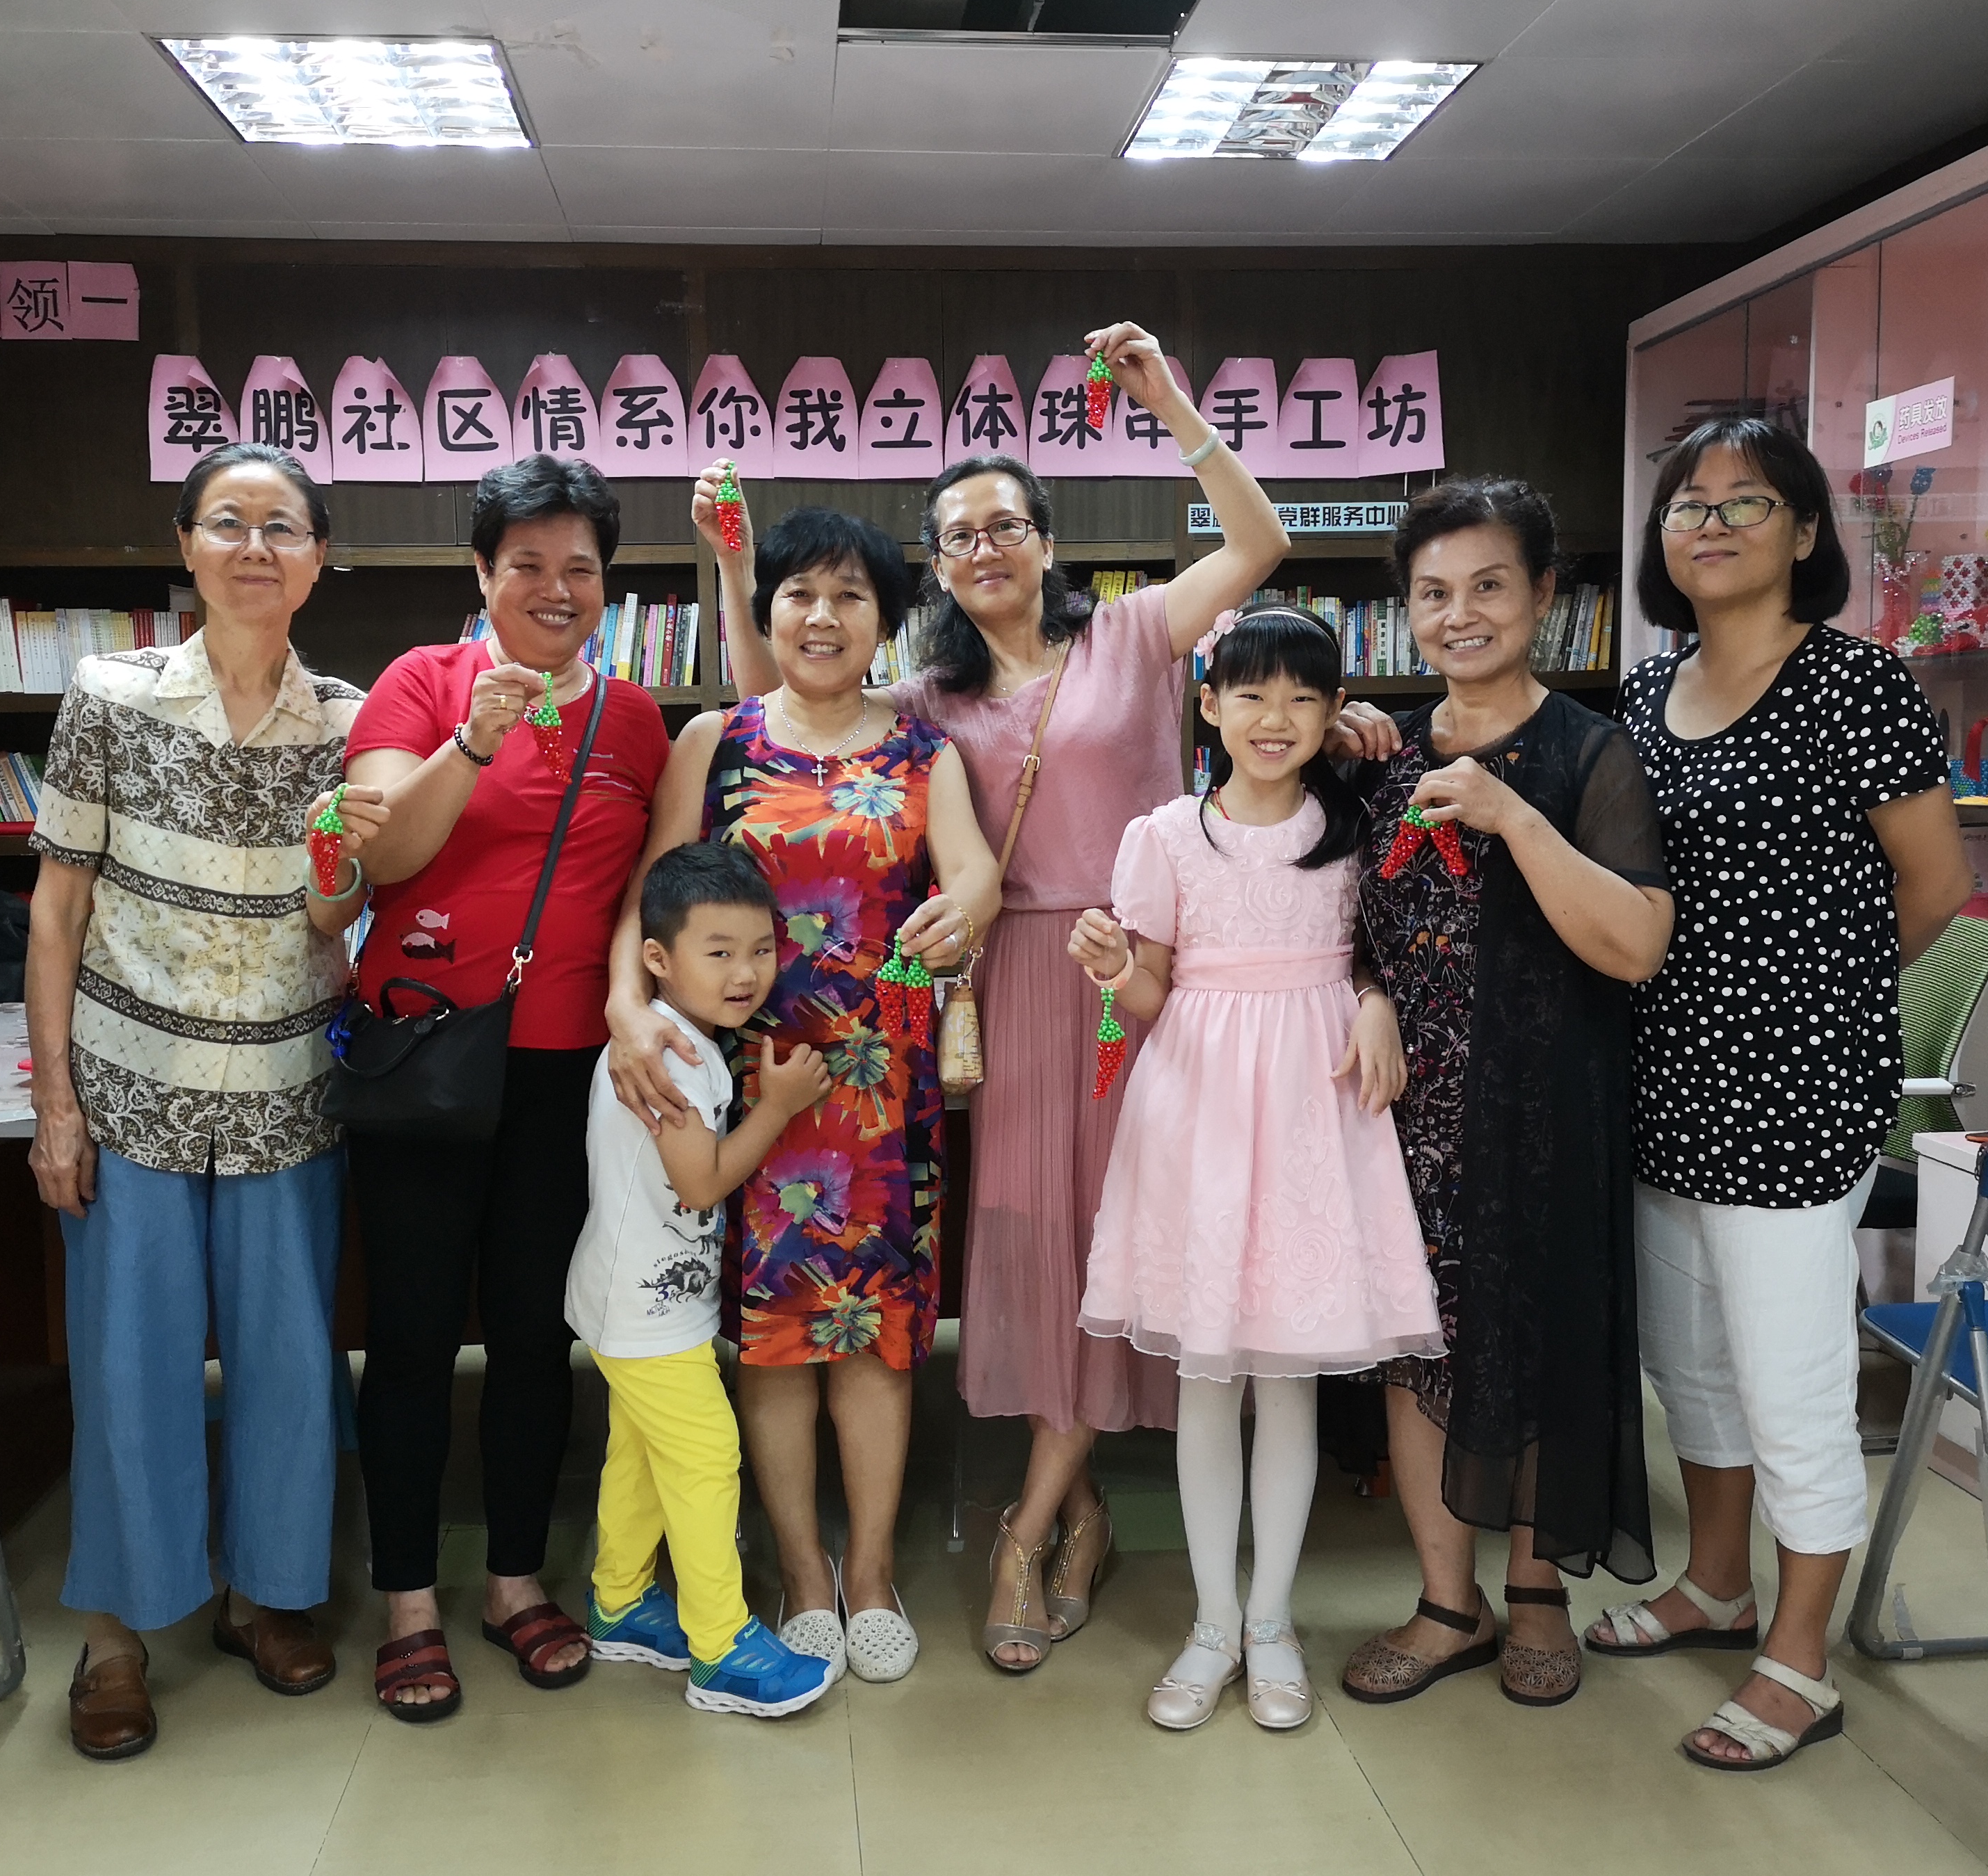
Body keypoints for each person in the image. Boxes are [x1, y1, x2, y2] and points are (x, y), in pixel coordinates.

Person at [707, 321, 1398, 1672]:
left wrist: (1171, 403)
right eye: (957, 535)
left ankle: (1025, 1530)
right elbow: (772, 713)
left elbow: (1257, 545)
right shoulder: (926, 693)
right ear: (936, 564)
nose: (983, 549)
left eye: (1005, 526)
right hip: (1004, 982)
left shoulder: (1134, 636)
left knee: (1121, 1233)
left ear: (1044, 540)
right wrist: (734, 571)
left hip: (1145, 972)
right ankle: (1077, 1506)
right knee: (1031, 1242)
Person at [1585, 416, 1971, 1771]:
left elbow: (1937, 885)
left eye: (1746, 501)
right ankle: (1715, 1584)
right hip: (1660, 1078)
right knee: (1690, 1362)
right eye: (1688, 504)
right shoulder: (1643, 694)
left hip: (1796, 1093)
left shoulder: (1854, 684)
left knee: (1788, 1373)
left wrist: (1815, 996)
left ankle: (1800, 1660)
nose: (1712, 523)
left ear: (1804, 531)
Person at [26, 441, 385, 1762]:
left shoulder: (350, 724)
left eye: (282, 527)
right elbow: (57, 912)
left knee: (292, 1365)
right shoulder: (109, 697)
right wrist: (56, 1107)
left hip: (290, 1095)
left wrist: (346, 876)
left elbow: (348, 913)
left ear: (319, 558)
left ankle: (264, 1597)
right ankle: (116, 1634)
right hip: (134, 1095)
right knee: (130, 1368)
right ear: (184, 544)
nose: (253, 548)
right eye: (226, 522)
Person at [606, 506, 1001, 1685]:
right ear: (766, 610)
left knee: (875, 1342)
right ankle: (800, 1572)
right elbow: (649, 895)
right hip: (747, 1087)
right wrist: (628, 1008)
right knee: (773, 1344)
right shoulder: (714, 740)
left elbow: (974, 870)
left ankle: (870, 1573)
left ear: (885, 622)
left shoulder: (926, 752)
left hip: (881, 1092)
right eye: (799, 595)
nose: (822, 618)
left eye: (850, 597)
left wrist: (965, 907)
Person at [1328, 478, 1676, 1714]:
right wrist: (1367, 992)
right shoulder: (1379, 758)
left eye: (1487, 586)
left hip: (1543, 1106)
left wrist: (1510, 814)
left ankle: (1536, 1594)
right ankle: (1447, 1604)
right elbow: (1338, 924)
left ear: (1542, 595)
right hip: (1405, 1119)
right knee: (1417, 1354)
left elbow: (1635, 945)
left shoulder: (1590, 752)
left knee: (1538, 1346)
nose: (1458, 614)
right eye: (1432, 593)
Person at [1068, 608, 1441, 1732]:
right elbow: (1150, 993)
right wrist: (1110, 970)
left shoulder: (1354, 822)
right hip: (1198, 1107)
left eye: (1301, 698)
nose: (1274, 718)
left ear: (1333, 714)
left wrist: (1371, 997)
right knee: (1207, 1380)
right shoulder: (1165, 836)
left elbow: (1380, 952)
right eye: (1250, 694)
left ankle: (1271, 1622)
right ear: (1209, 705)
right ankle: (1212, 1623)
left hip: (1315, 1105)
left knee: (1288, 1380)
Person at [342, 455, 673, 1717]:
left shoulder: (632, 721)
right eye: (526, 563)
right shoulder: (421, 682)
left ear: (606, 585)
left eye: (579, 567)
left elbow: (647, 886)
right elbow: (383, 858)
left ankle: (515, 1581)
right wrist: (473, 741)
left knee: (537, 1336)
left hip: (566, 1072)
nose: (554, 587)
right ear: (481, 573)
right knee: (414, 1336)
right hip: (423, 1055)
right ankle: (407, 1600)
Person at [565, 843, 840, 1719]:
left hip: (645, 1297)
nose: (745, 973)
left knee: (641, 1456)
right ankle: (721, 1646)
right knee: (705, 1458)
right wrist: (780, 1108)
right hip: (642, 1308)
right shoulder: (673, 1056)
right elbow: (702, 1182)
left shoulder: (685, 1042)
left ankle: (619, 1601)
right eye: (718, 952)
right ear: (657, 957)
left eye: (760, 949)